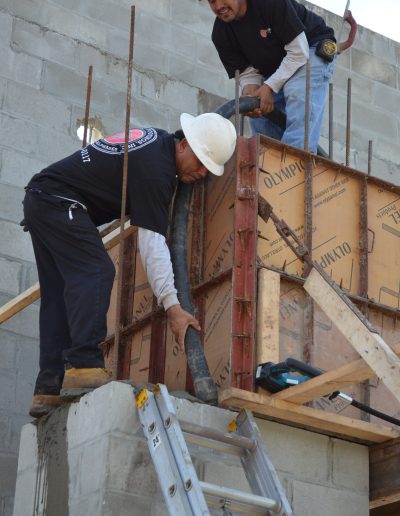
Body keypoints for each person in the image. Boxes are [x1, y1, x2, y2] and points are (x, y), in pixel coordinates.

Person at [23, 112, 237, 418]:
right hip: (59, 201)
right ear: (184, 145)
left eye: (209, 168)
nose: (203, 173)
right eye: (202, 161)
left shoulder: (157, 144)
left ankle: (48, 387)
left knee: (58, 293)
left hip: (42, 199)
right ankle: (84, 365)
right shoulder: (156, 171)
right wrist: (173, 306)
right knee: (96, 270)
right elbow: (152, 246)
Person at [208, 0, 336, 152]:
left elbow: (299, 52)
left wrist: (269, 87)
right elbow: (247, 73)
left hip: (310, 48)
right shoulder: (220, 34)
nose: (218, 6)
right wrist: (251, 95)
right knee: (260, 117)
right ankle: (270, 168)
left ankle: (295, 165)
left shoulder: (269, 3)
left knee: (297, 92)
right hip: (277, 66)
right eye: (211, 1)